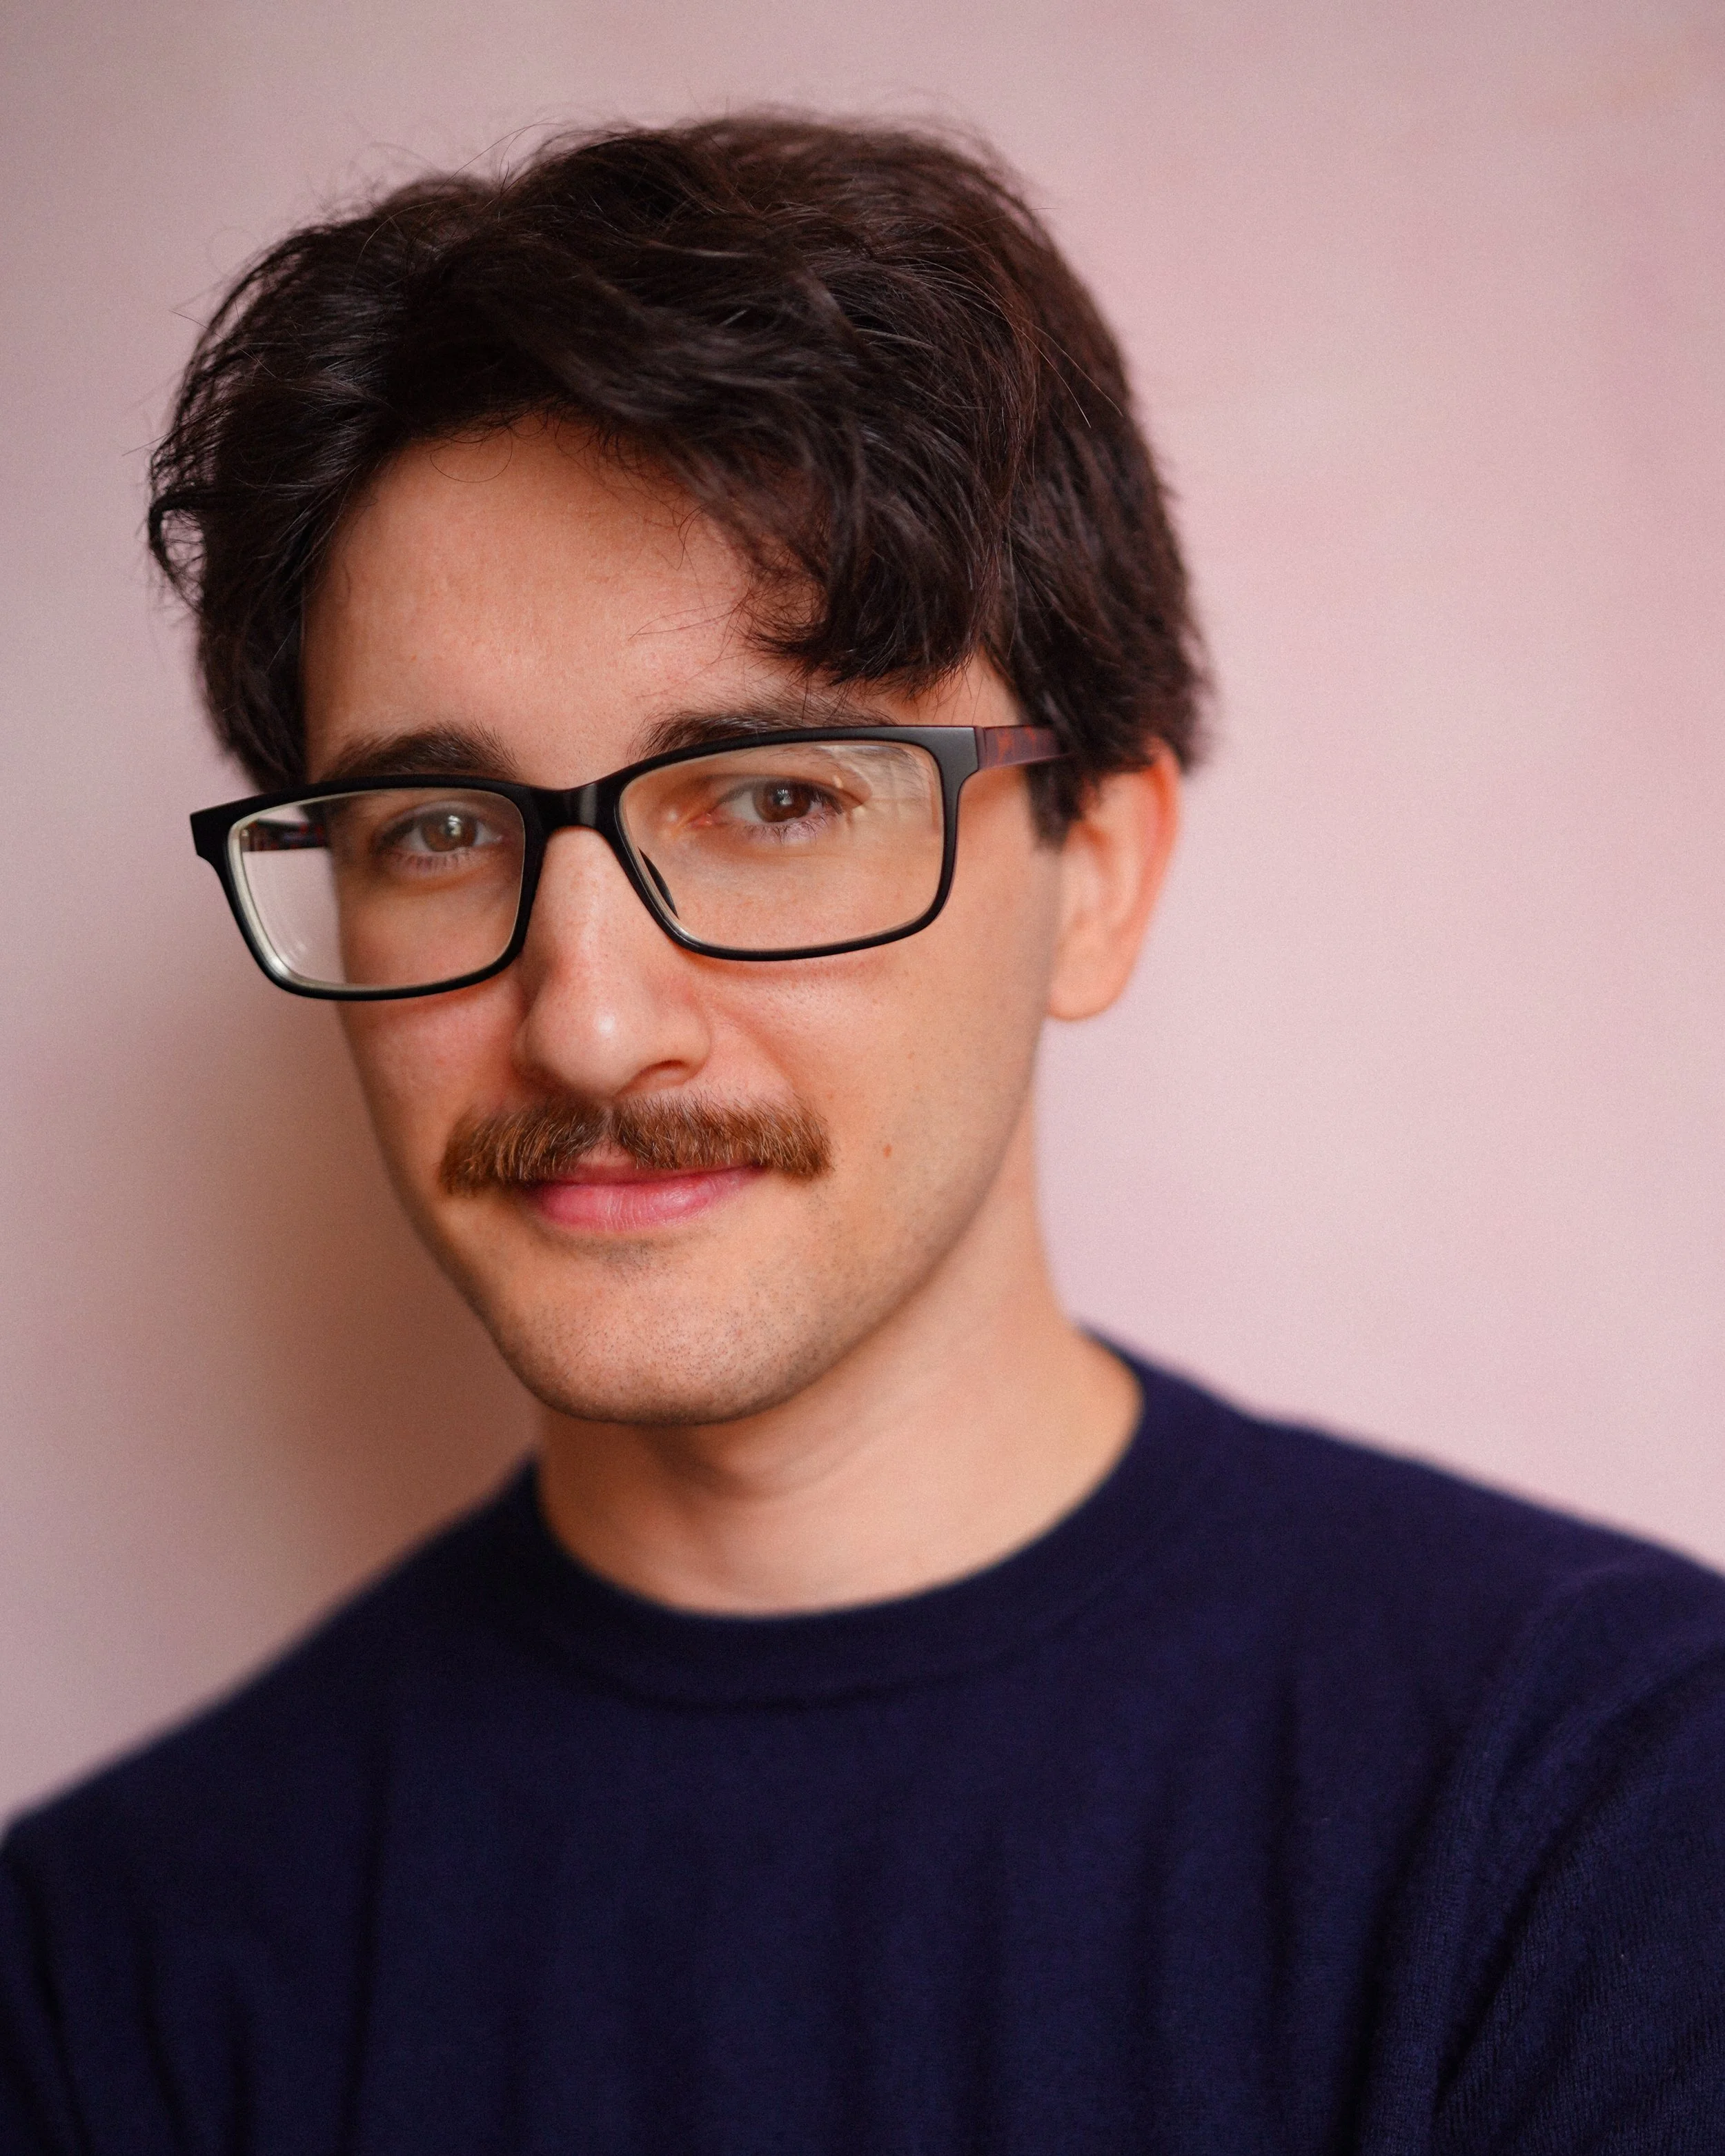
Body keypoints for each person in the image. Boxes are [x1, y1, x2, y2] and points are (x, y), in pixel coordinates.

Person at [1, 114, 1720, 2155]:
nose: (590, 1018)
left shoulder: (1599, 1810)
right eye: (440, 831)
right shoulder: (97, 1977)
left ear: (1098, 872)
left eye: (774, 796)